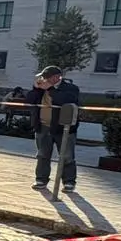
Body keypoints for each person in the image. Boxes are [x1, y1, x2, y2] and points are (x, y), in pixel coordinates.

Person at [24, 64, 81, 192]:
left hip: (64, 129)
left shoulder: (70, 88)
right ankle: (41, 179)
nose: (45, 80)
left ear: (57, 77)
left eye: (48, 77)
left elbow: (65, 100)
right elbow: (29, 100)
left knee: (67, 156)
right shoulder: (41, 89)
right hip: (43, 127)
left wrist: (50, 89)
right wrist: (36, 88)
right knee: (42, 155)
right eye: (44, 77)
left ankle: (69, 182)